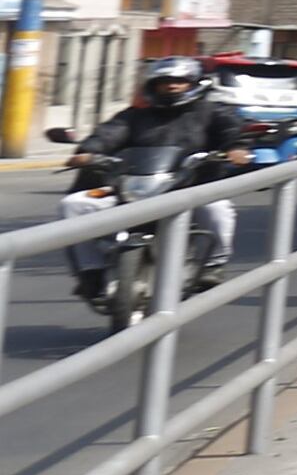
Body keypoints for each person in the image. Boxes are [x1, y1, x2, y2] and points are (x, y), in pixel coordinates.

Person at [66, 58, 259, 319]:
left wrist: (236, 148)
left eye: (179, 81)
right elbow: (108, 134)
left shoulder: (212, 112)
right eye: (164, 81)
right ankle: (91, 271)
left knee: (216, 209)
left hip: (191, 188)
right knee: (75, 205)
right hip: (135, 187)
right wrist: (89, 151)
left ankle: (214, 264)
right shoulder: (135, 116)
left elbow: (232, 130)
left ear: (194, 83)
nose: (171, 86)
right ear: (152, 85)